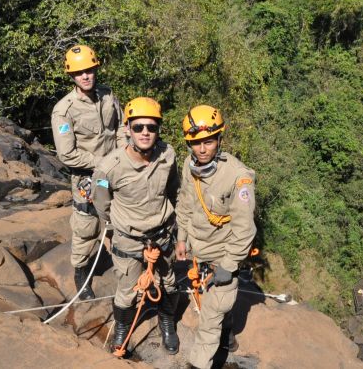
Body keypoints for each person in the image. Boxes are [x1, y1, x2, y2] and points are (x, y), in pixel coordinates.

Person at [91, 97, 180, 355]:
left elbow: (174, 190)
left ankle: (167, 323)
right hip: (129, 239)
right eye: (138, 127)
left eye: (151, 127)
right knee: (127, 290)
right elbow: (102, 203)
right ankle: (122, 327)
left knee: (169, 282)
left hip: (162, 235)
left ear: (158, 129)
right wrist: (114, 229)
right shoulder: (110, 167)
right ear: (128, 128)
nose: (145, 133)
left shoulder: (168, 155)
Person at [175, 105, 257, 369]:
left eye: (208, 142)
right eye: (196, 143)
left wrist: (229, 265)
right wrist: (181, 238)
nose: (202, 149)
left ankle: (198, 364)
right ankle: (228, 333)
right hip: (200, 251)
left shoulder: (238, 178)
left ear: (219, 140)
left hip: (223, 258)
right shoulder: (189, 166)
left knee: (209, 320)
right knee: (218, 309)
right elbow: (186, 203)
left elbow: (245, 229)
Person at [51, 44, 127, 300]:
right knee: (87, 224)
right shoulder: (65, 110)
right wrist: (102, 163)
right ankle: (81, 272)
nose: (85, 76)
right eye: (79, 72)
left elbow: (120, 128)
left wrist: (123, 155)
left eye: (89, 70)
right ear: (71, 76)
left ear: (96, 69)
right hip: (87, 175)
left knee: (120, 216)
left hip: (116, 170)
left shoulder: (108, 95)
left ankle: (124, 265)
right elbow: (67, 154)